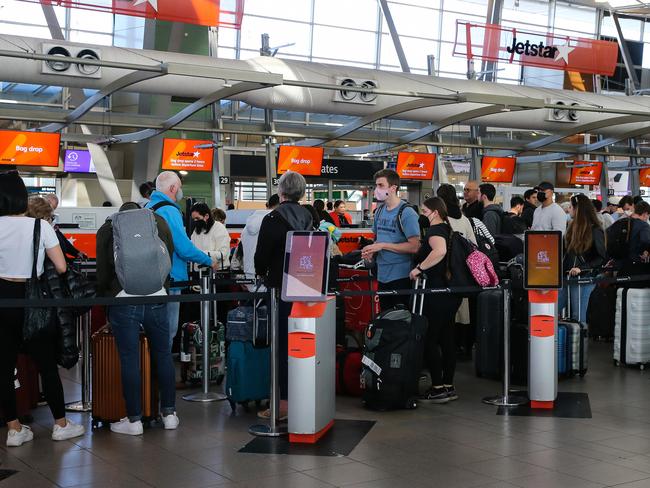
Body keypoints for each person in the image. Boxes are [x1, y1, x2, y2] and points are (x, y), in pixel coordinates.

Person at [0, 171, 85, 447]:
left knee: (4, 367)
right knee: (47, 365)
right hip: (33, 298)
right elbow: (61, 267)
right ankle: (60, 424)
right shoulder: (40, 227)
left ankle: (14, 429)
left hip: (3, 300)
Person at [96, 202, 178, 435]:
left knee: (130, 359)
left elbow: (103, 270)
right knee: (163, 355)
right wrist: (161, 285)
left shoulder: (108, 228)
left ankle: (134, 421)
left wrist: (107, 296)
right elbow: (167, 256)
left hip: (123, 298)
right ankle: (169, 414)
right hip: (157, 296)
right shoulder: (158, 222)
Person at [255, 171, 313, 420]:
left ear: (281, 192)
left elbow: (261, 257)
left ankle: (282, 405)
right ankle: (304, 398)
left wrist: (261, 272)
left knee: (281, 345)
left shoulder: (272, 218)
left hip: (280, 289)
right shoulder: (309, 216)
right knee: (303, 344)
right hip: (307, 288)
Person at [147, 171, 218, 346]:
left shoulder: (148, 207)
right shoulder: (170, 210)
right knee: (167, 332)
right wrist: (209, 261)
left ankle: (151, 371)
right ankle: (163, 372)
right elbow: (183, 248)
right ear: (172, 188)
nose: (180, 191)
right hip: (171, 279)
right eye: (179, 187)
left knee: (152, 332)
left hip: (150, 278)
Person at [409, 197, 462, 403]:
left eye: (425, 211)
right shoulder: (449, 229)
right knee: (447, 339)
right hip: (450, 293)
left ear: (435, 212)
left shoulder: (435, 231)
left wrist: (419, 268)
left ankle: (438, 386)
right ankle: (448, 385)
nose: (423, 214)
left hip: (436, 292)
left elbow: (440, 251)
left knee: (431, 338)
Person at [361, 169, 420, 310]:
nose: (377, 189)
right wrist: (371, 251)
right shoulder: (380, 211)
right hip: (382, 275)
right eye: (376, 185)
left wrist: (383, 246)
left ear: (393, 188)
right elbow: (378, 240)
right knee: (385, 318)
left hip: (401, 275)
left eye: (381, 185)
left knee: (400, 320)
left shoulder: (407, 213)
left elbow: (414, 246)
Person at [558, 194, 606, 323]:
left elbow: (601, 257)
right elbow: (565, 253)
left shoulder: (595, 230)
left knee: (578, 316)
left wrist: (581, 268)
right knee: (553, 308)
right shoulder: (571, 228)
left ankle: (579, 342)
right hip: (567, 277)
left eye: (571, 206)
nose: (569, 209)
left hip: (584, 278)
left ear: (578, 209)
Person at [237, 194, 279, 291]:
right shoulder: (275, 222)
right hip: (267, 276)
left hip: (249, 274)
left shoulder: (246, 226)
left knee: (257, 304)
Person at [608, 200, 650, 276]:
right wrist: (645, 251)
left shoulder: (620, 221)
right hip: (634, 263)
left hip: (617, 261)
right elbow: (646, 241)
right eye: (648, 216)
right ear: (645, 214)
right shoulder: (644, 225)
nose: (647, 218)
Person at [42, 193, 85, 261]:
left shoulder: (51, 223)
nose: (51, 213)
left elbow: (61, 239)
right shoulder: (40, 223)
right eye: (50, 209)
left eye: (53, 209)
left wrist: (76, 253)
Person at [190, 203, 231, 270]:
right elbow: (192, 248)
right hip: (198, 272)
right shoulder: (196, 231)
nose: (195, 221)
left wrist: (201, 254)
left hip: (217, 273)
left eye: (197, 218)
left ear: (206, 216)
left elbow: (223, 254)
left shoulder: (219, 228)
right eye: (194, 219)